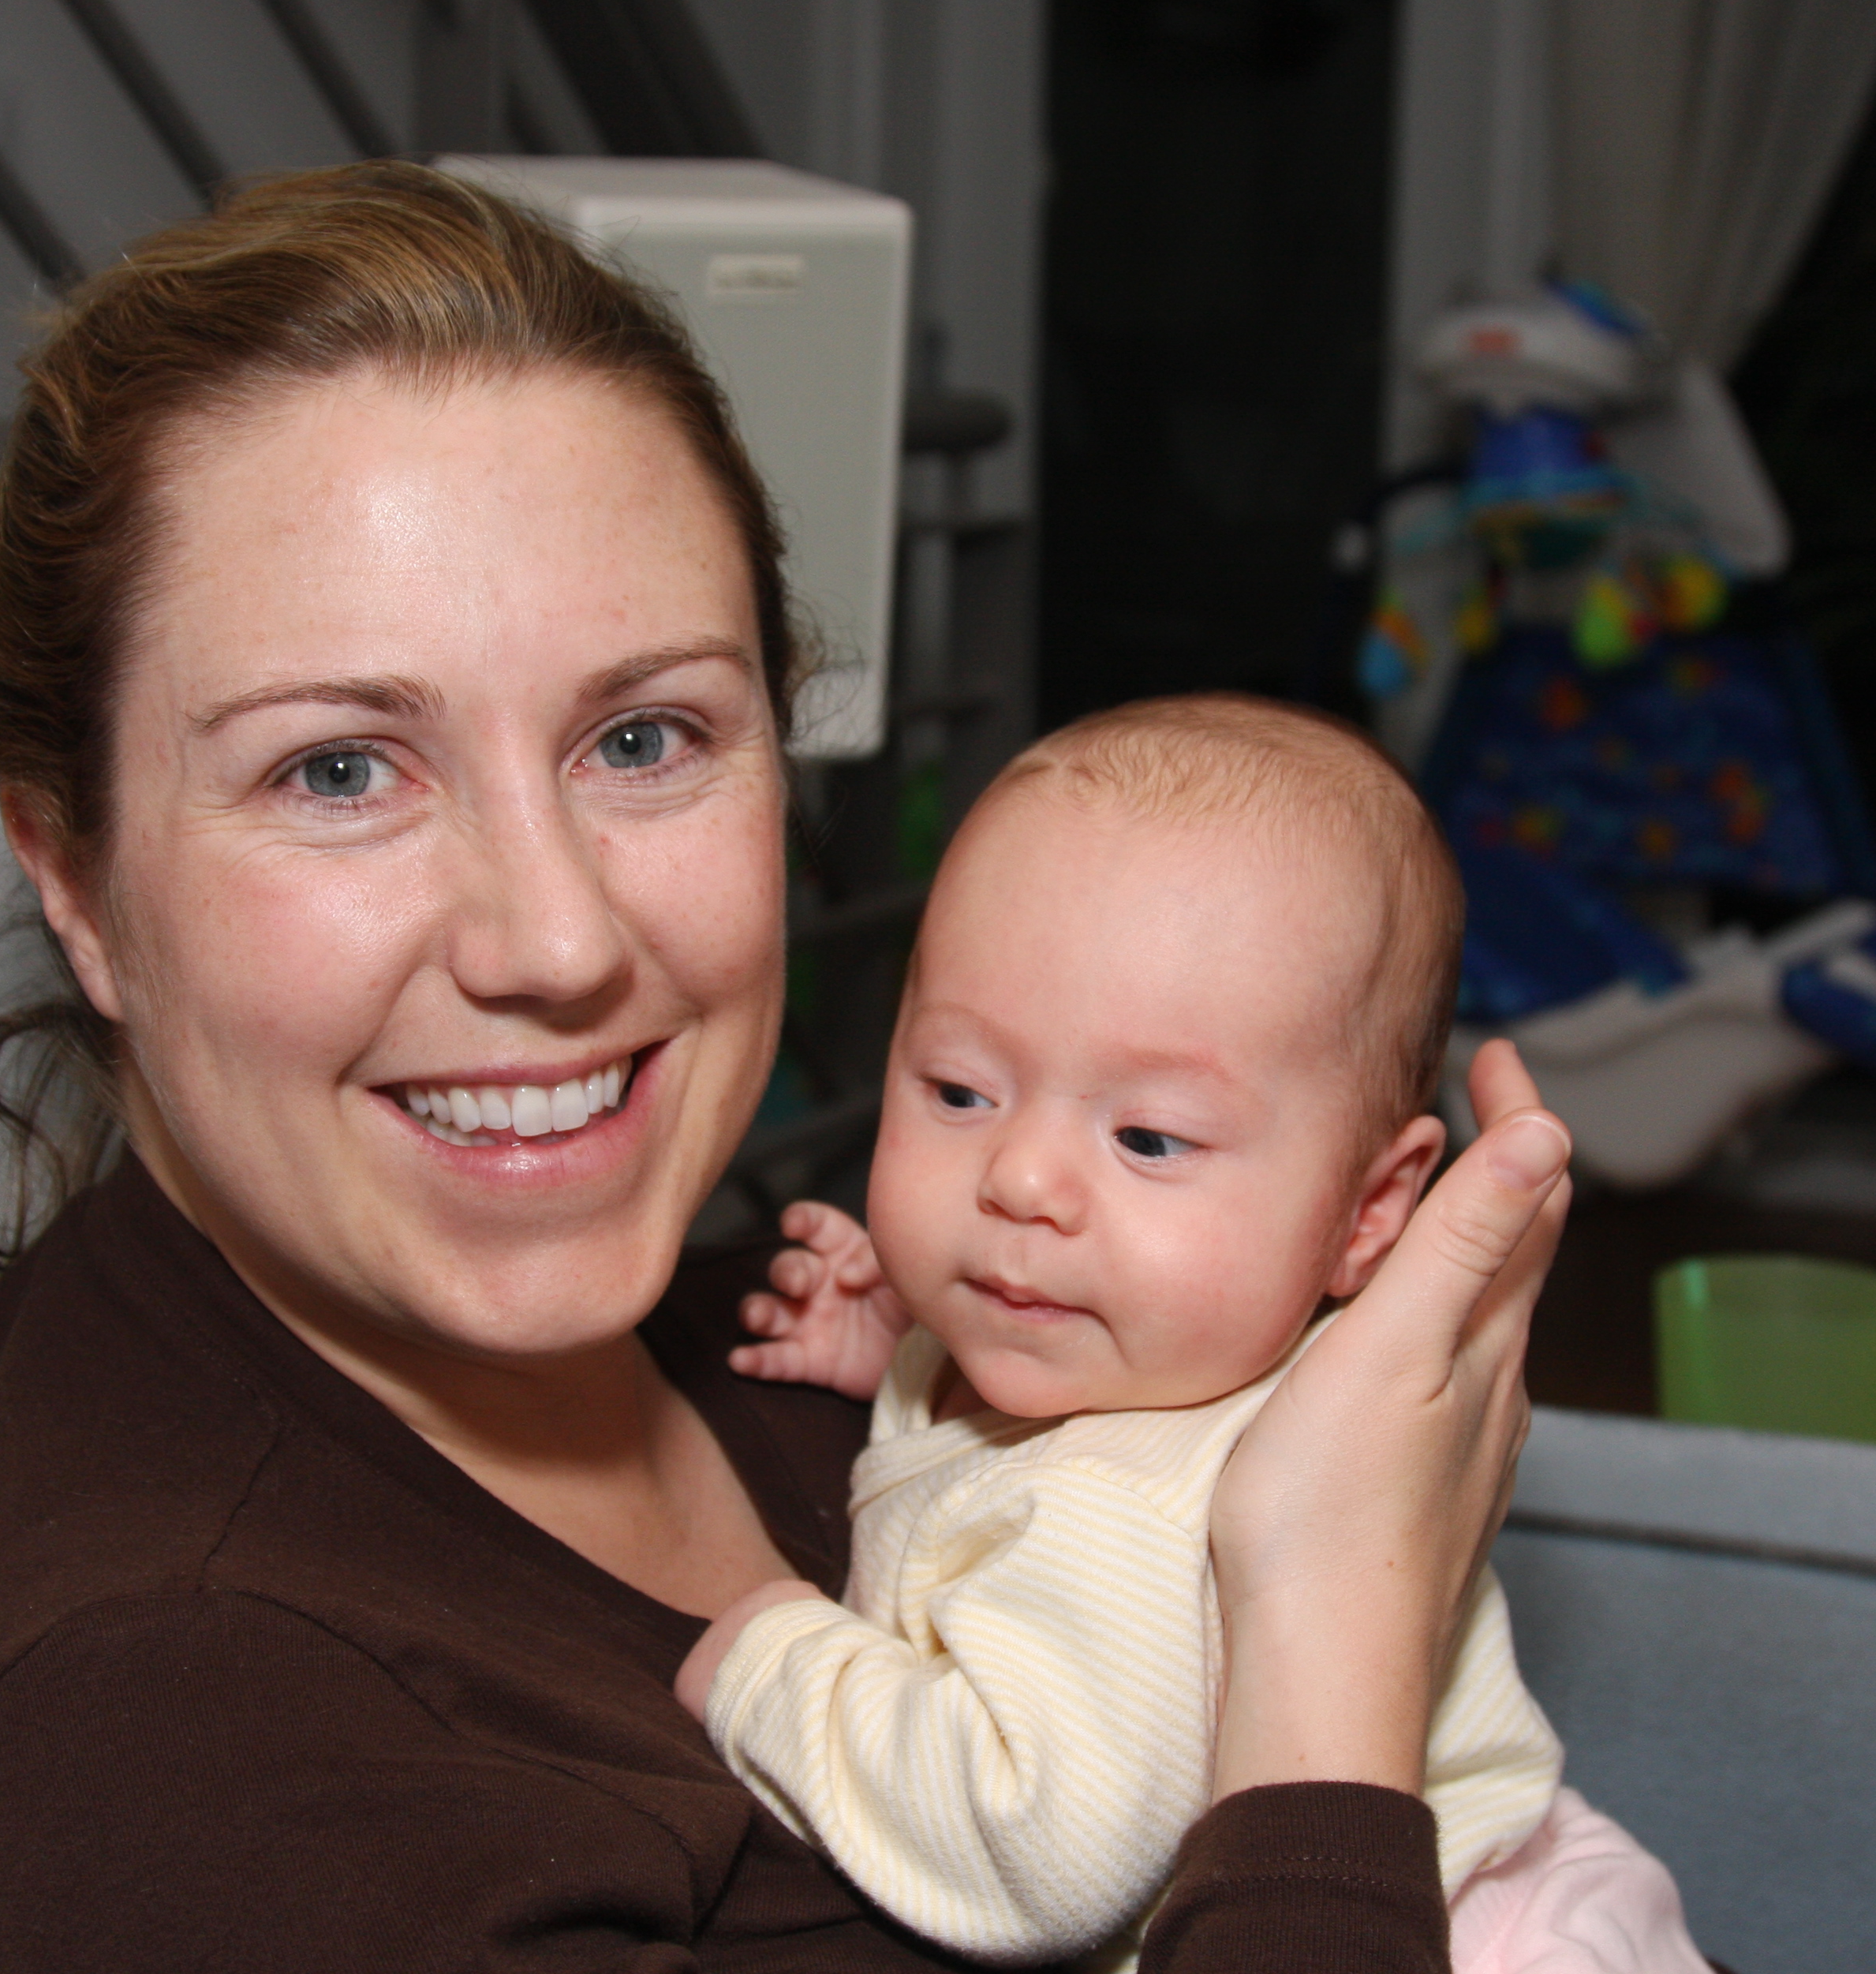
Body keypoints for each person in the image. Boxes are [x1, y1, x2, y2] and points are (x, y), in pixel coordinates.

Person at [0, 162, 1575, 1974]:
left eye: (641, 737)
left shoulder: (822, 1331)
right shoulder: (156, 1762)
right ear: (78, 882)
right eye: (339, 771)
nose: (557, 941)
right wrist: (1330, 1639)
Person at [677, 696, 1708, 1974]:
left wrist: (774, 1662)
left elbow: (1033, 1856)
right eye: (960, 1089)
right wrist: (903, 1344)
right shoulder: (1146, 1341)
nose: (1021, 1178)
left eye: (1149, 1138)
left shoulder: (1117, 1513)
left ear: (1368, 1212)